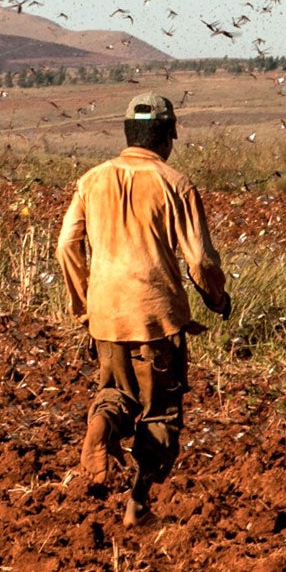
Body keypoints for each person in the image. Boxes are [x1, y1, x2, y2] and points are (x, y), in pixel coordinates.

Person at [55, 91, 230, 525]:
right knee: (161, 413)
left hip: (106, 316)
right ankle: (138, 504)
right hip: (156, 317)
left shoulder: (91, 180)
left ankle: (104, 425)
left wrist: (83, 306)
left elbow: (65, 247)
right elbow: (202, 260)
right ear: (170, 134)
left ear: (128, 132)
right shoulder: (175, 184)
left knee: (117, 392)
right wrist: (216, 298)